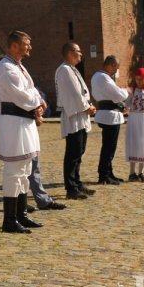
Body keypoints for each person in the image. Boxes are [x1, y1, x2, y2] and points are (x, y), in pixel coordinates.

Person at [0, 31, 46, 234]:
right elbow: (22, 96)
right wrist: (37, 100)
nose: (30, 47)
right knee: (13, 172)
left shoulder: (19, 67)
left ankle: (21, 214)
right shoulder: (6, 68)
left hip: (25, 122)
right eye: (26, 44)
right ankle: (9, 219)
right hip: (14, 123)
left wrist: (36, 100)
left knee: (25, 171)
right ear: (14, 46)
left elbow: (32, 91)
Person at [54, 42, 96, 200]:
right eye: (78, 51)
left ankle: (77, 183)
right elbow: (74, 94)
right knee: (73, 152)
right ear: (70, 52)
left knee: (79, 151)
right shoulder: (64, 70)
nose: (81, 54)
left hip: (80, 114)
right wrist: (87, 107)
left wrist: (88, 106)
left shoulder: (71, 69)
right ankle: (71, 188)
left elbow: (81, 92)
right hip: (74, 116)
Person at [90, 55, 128, 185]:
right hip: (109, 115)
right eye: (116, 68)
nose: (116, 70)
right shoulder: (103, 77)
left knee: (109, 147)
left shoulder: (99, 76)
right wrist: (125, 91)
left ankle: (108, 172)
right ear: (112, 65)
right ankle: (104, 174)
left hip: (108, 114)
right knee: (109, 147)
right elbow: (118, 95)